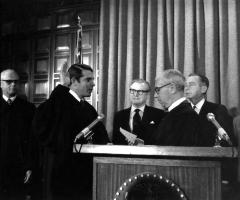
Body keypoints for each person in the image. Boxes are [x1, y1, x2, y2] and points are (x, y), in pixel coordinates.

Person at [32, 64, 109, 200]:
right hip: (63, 175)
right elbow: (40, 126)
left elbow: (101, 138)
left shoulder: (89, 109)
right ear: (73, 81)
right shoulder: (58, 103)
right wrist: (62, 87)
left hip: (86, 176)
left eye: (93, 80)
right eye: (88, 80)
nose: (93, 84)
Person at [0, 69, 36, 199]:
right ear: (0, 84)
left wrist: (29, 166)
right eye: (9, 81)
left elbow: (32, 141)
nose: (13, 84)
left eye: (16, 82)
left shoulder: (28, 109)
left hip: (19, 167)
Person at [149, 69, 201, 146]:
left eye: (158, 90)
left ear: (172, 88)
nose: (155, 96)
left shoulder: (185, 115)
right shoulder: (179, 113)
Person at [184, 73, 235, 147]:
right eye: (185, 85)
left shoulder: (218, 110)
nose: (186, 88)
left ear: (203, 89)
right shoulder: (180, 111)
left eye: (191, 84)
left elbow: (227, 141)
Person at [112, 79, 166, 145]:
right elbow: (115, 141)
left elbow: (162, 140)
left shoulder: (159, 115)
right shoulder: (119, 115)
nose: (136, 94)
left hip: (149, 154)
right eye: (133, 91)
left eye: (140, 91)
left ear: (148, 94)